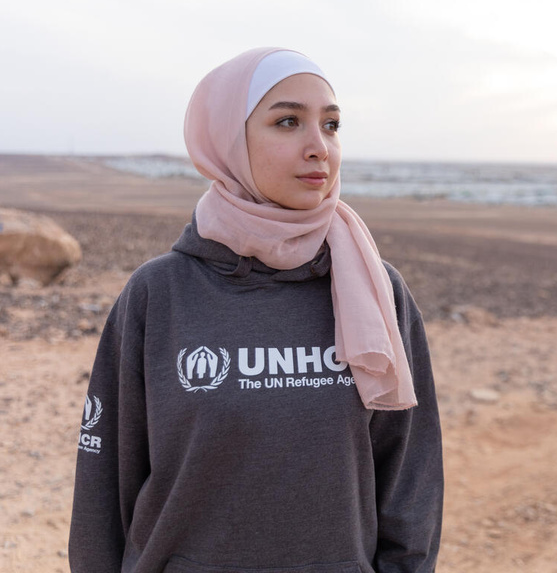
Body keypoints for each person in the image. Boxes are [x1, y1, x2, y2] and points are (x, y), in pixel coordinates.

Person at [69, 48, 443, 573]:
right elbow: (104, 482)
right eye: (288, 121)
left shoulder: (376, 290)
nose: (320, 148)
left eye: (331, 125)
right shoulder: (159, 293)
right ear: (226, 140)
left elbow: (410, 475)